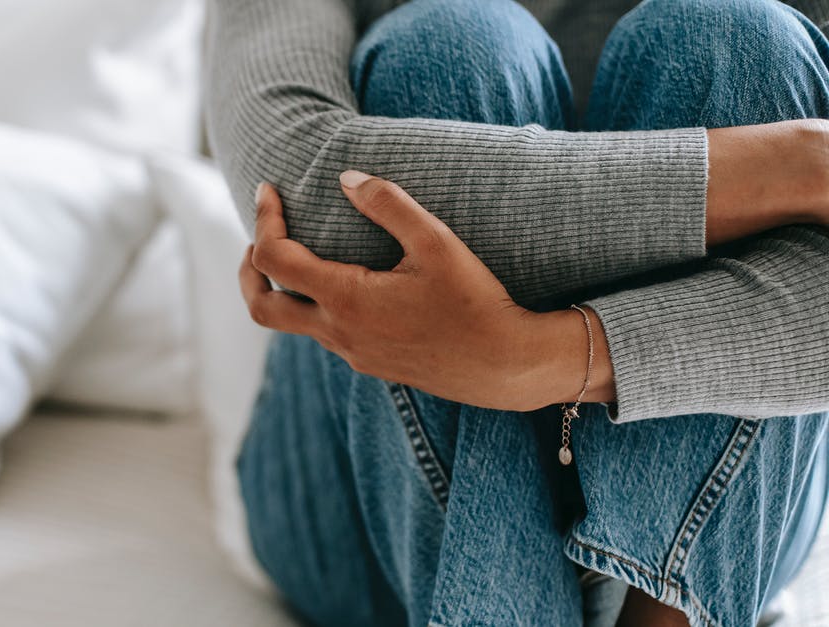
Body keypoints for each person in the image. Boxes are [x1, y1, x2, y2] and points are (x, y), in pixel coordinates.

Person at [205, 0, 829, 625]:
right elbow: (300, 195)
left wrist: (538, 358)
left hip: (716, 543)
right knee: (450, 46)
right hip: (359, 506)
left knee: (736, 39)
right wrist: (796, 165)